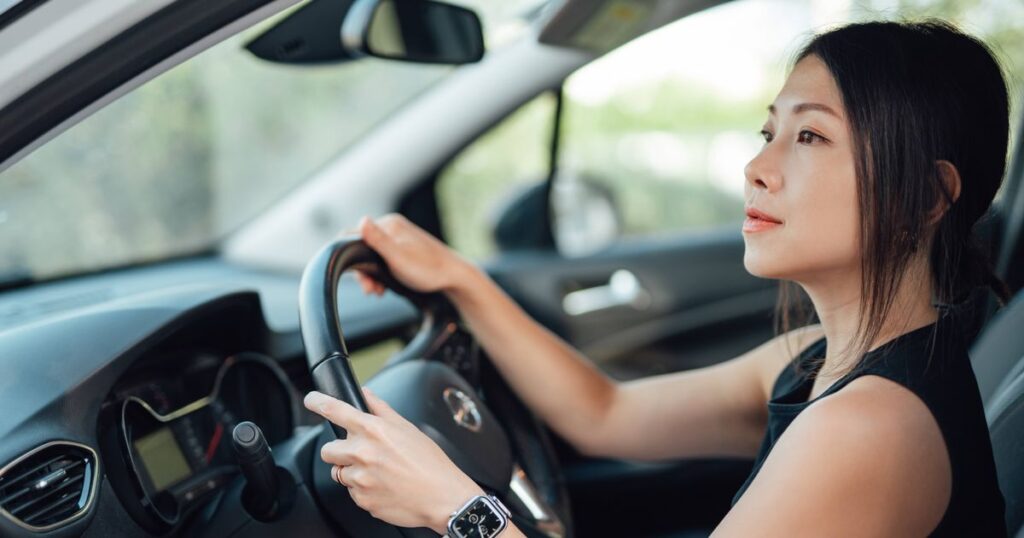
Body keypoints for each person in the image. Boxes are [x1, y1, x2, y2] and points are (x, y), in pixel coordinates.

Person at [301, 19, 1011, 537]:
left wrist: (450, 506)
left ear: (923, 199)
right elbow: (605, 415)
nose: (757, 169)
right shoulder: (814, 363)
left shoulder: (871, 427)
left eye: (811, 137)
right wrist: (459, 280)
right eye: (770, 134)